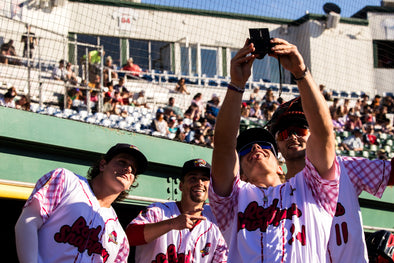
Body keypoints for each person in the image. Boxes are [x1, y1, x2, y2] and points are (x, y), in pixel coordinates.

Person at [209, 38, 339, 262]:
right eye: (247, 148)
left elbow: (323, 133)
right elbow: (223, 145)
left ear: (280, 167)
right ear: (241, 174)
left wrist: (301, 72)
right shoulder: (233, 200)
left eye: (265, 145)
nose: (256, 147)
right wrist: (236, 84)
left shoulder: (311, 188)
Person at [268, 98, 393, 262]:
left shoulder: (344, 167)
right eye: (283, 133)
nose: (292, 136)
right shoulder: (277, 193)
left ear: (314, 134)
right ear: (277, 144)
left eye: (300, 129)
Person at [15, 143, 148, 263]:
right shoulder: (66, 181)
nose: (128, 169)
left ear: (131, 183)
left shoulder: (120, 237)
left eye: (133, 170)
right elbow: (28, 222)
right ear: (102, 165)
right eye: (122, 162)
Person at [126, 159, 228, 263]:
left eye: (204, 179)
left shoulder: (215, 219)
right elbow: (128, 237)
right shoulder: (159, 211)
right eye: (193, 178)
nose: (199, 183)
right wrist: (171, 224)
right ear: (181, 186)